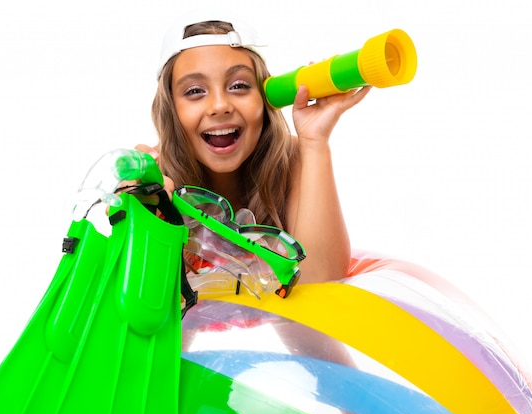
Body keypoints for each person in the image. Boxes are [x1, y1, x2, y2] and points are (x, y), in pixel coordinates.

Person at [137, 13, 370, 285]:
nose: (220, 105)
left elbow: (323, 281)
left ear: (264, 98)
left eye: (239, 86)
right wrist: (143, 209)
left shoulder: (292, 160)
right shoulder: (154, 176)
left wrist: (315, 142)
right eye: (195, 91)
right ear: (172, 109)